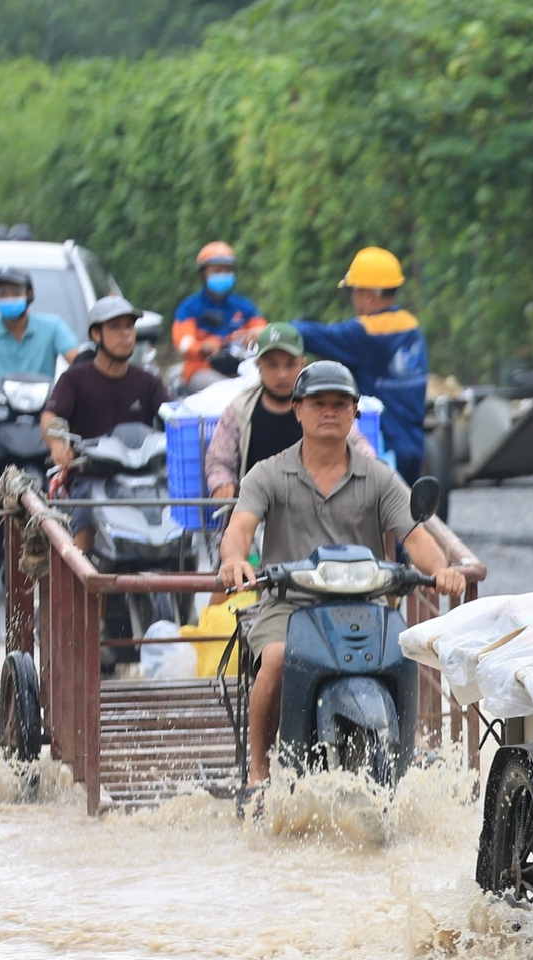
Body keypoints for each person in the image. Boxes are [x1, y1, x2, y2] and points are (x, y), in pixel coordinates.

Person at [217, 361, 465, 795]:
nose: (329, 411)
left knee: (403, 657)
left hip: (365, 604)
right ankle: (259, 768)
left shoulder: (379, 476)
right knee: (275, 658)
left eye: (339, 404)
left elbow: (416, 538)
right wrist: (234, 560)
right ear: (298, 410)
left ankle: (406, 756)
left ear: (355, 413)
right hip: (289, 604)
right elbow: (239, 528)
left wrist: (441, 570)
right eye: (318, 403)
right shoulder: (268, 473)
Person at [0, 267, 80, 557]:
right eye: (2, 293)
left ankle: (78, 519)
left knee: (73, 452)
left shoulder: (52, 326)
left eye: (15, 292)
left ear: (29, 295)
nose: (8, 297)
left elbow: (76, 358)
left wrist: (82, 377)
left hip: (44, 411)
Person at [42, 296, 171, 555]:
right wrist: (58, 446)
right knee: (84, 526)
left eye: (129, 327)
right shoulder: (75, 378)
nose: (125, 334)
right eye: (115, 327)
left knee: (180, 524)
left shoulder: (149, 381)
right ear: (96, 334)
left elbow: (174, 416)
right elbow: (51, 416)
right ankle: (78, 575)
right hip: (92, 476)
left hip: (144, 479)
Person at [292, 247, 429, 482]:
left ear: (369, 296)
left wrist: (276, 331)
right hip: (415, 444)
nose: (353, 299)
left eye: (354, 291)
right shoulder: (411, 326)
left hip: (380, 446)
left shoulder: (365, 333)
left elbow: (318, 336)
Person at [202, 322, 375, 503]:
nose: (282, 374)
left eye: (290, 365)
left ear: (302, 364)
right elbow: (218, 461)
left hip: (316, 508)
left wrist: (369, 468)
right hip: (257, 509)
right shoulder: (240, 409)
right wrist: (221, 483)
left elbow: (356, 442)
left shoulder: (322, 406)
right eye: (272, 365)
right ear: (258, 365)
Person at [171, 242, 266, 388]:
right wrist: (202, 346)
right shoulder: (189, 307)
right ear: (203, 273)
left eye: (228, 270)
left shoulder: (244, 306)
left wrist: (258, 333)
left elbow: (263, 329)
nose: (223, 274)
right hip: (202, 368)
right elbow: (182, 342)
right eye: (217, 270)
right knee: (226, 392)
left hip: (242, 368)